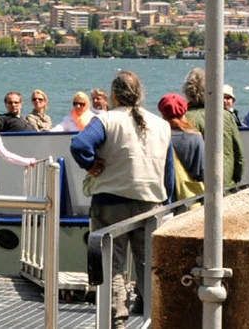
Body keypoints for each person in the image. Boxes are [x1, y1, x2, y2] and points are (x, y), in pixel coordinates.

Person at [71, 71, 173, 329]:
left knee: (114, 266)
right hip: (150, 203)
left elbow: (80, 144)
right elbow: (168, 171)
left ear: (114, 94)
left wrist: (91, 164)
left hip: (111, 201)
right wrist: (166, 201)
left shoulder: (106, 119)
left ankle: (117, 321)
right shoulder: (161, 125)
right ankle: (154, 318)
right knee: (148, 264)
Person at [182, 67, 244, 190]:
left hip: (197, 187)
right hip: (226, 182)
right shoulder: (226, 116)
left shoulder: (185, 118)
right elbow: (239, 153)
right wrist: (236, 178)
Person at [158, 93, 204, 200]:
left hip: (163, 197)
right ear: (184, 111)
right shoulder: (195, 138)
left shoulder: (157, 136)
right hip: (189, 198)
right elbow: (203, 171)